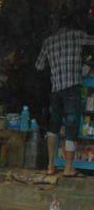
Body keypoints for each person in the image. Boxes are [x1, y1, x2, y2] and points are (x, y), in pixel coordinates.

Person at [36, 14, 94, 177]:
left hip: (56, 89)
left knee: (53, 126)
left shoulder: (48, 41)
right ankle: (68, 167)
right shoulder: (76, 35)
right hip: (72, 87)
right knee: (71, 127)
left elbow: (39, 66)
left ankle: (50, 166)